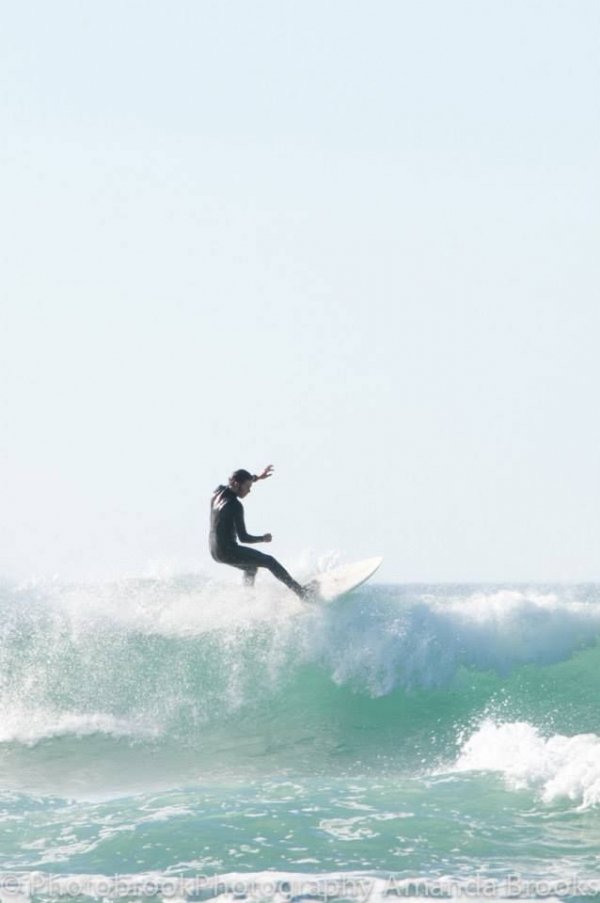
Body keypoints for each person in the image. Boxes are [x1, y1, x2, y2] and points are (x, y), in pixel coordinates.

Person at [209, 464, 307, 598]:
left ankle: (247, 599)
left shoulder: (217, 491)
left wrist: (257, 478)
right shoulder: (235, 506)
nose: (249, 491)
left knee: (251, 568)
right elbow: (243, 538)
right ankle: (302, 593)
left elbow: (236, 482)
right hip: (227, 551)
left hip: (214, 551)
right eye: (248, 487)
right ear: (237, 484)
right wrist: (263, 538)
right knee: (269, 561)